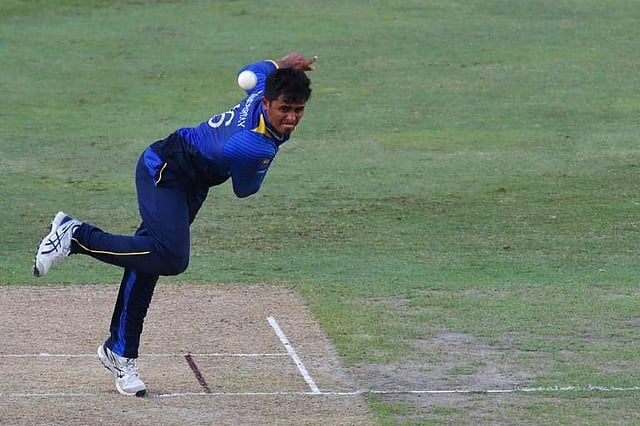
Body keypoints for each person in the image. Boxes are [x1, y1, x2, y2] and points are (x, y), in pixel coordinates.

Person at [33, 52, 317, 397]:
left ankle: (120, 351)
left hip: (193, 182)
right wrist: (267, 153)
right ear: (268, 102)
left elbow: (251, 71)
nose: (291, 118)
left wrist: (280, 65)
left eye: (298, 110)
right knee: (171, 258)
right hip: (166, 168)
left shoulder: (260, 89)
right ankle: (76, 235)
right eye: (284, 109)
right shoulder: (253, 146)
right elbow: (245, 189)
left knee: (149, 260)